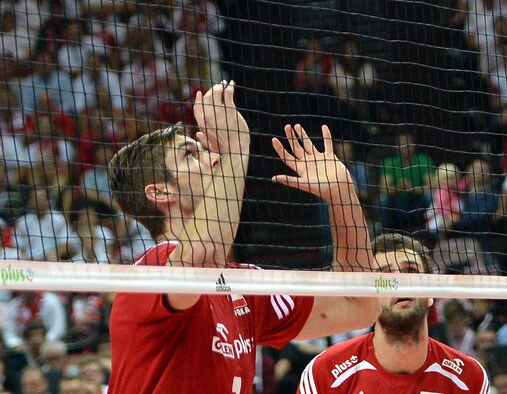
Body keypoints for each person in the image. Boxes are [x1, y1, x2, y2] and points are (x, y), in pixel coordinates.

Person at [105, 82, 380, 392]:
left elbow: (359, 305)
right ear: (160, 192)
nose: (214, 159)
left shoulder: (243, 287)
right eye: (190, 156)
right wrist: (237, 144)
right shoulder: (148, 273)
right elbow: (203, 254)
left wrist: (342, 197)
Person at [297, 232, 488, 393]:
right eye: (386, 276)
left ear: (430, 294)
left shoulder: (470, 378)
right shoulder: (324, 372)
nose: (400, 283)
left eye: (411, 272)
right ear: (368, 297)